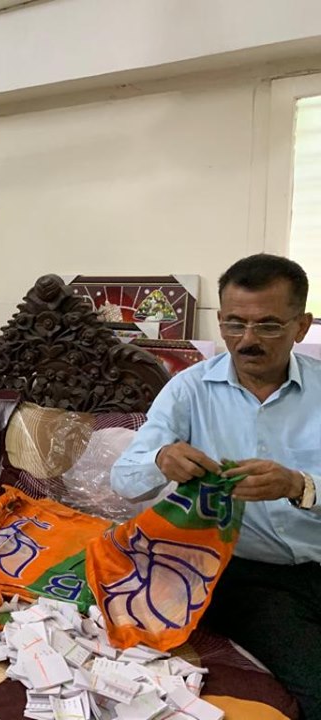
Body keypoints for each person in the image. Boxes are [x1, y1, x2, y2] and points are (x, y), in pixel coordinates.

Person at [111, 253, 321, 718]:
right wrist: (162, 459)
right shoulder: (188, 389)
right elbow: (124, 480)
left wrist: (300, 485)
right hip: (248, 574)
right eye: (234, 324)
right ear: (221, 319)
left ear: (301, 326)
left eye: (268, 325)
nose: (247, 340)